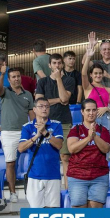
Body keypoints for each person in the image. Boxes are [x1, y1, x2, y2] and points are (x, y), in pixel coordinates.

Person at [35, 53, 75, 189]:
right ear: (49, 65)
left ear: (62, 64)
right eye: (54, 63)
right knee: (47, 156)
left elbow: (65, 98)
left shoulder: (69, 80)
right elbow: (40, 103)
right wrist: (58, 100)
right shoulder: (42, 82)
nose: (57, 66)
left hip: (64, 122)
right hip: (47, 123)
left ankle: (68, 188)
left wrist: (59, 79)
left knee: (65, 156)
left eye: (59, 63)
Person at [0, 64, 35, 203]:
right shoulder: (5, 92)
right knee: (10, 163)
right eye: (13, 77)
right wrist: (1, 74)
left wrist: (33, 130)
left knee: (34, 159)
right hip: (8, 133)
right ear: (9, 79)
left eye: (18, 76)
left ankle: (32, 190)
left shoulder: (28, 95)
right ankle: (13, 193)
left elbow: (32, 114)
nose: (16, 79)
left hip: (25, 132)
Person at [18, 98, 63, 208]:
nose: (44, 109)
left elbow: (59, 145)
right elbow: (21, 148)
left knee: (53, 213)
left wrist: (45, 133)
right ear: (34, 109)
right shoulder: (27, 127)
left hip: (53, 174)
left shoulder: (56, 125)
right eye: (41, 106)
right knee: (35, 212)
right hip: (34, 175)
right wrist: (37, 136)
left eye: (47, 106)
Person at [67, 99, 110, 208]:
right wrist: (88, 138)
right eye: (88, 110)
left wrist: (95, 136)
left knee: (95, 214)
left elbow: (106, 149)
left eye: (94, 110)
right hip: (77, 176)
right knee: (79, 214)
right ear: (82, 112)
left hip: (99, 177)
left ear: (97, 111)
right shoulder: (76, 129)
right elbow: (72, 149)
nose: (91, 113)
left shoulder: (103, 130)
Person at [82, 33, 110, 125]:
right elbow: (84, 62)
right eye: (104, 49)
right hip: (97, 106)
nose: (107, 51)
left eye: (109, 49)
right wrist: (91, 46)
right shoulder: (96, 63)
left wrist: (108, 75)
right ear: (100, 51)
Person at [81, 41, 110, 131]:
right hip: (91, 120)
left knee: (106, 143)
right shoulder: (88, 87)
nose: (98, 75)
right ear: (91, 75)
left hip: (106, 120)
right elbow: (83, 74)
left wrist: (106, 108)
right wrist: (89, 56)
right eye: (95, 73)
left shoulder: (108, 89)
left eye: (100, 73)